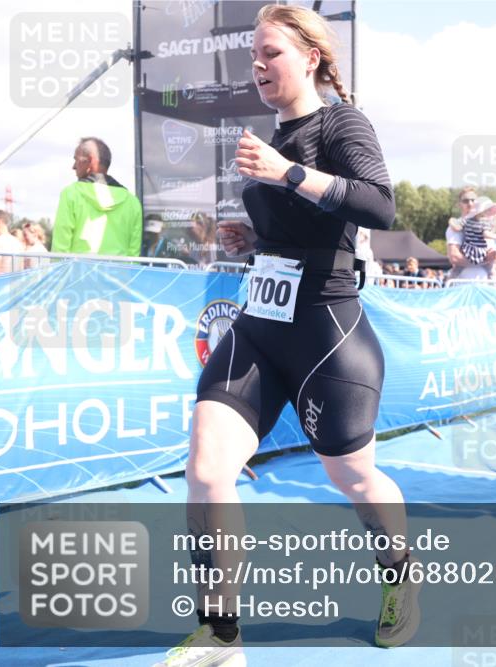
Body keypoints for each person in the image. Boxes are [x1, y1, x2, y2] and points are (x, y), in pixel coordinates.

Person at [157, 6, 415, 665]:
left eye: (270, 52)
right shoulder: (270, 135)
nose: (259, 66)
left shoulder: (340, 123)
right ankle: (220, 633)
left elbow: (379, 206)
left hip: (327, 331)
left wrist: (286, 173)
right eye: (254, 55)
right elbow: (288, 232)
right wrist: (254, 237)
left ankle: (399, 572)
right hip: (258, 325)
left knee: (353, 477)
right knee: (208, 467)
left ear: (310, 56)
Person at [51, 136, 142, 256]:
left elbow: (60, 249)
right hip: (120, 275)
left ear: (89, 161)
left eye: (76, 160)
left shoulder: (71, 194)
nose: (73, 166)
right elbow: (134, 255)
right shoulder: (132, 202)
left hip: (79, 273)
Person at [446, 187, 496, 281]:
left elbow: (490, 258)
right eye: (465, 201)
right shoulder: (456, 227)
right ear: (460, 205)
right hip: (463, 288)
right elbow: (455, 257)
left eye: (473, 200)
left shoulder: (485, 226)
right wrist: (484, 261)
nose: (470, 203)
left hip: (485, 287)